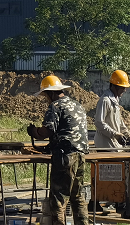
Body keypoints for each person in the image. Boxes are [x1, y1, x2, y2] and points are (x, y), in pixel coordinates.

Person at [26, 75, 90, 225]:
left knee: (58, 199)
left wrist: (34, 132)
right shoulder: (77, 105)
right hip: (81, 156)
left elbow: (47, 131)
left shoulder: (55, 106)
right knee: (77, 196)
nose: (46, 99)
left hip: (65, 157)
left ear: (51, 93)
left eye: (45, 95)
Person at [94, 70, 130, 149]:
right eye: (122, 87)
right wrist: (115, 134)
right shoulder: (105, 100)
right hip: (105, 146)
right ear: (114, 86)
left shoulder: (115, 101)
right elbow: (99, 122)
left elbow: (119, 123)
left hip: (113, 145)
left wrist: (128, 136)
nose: (124, 90)